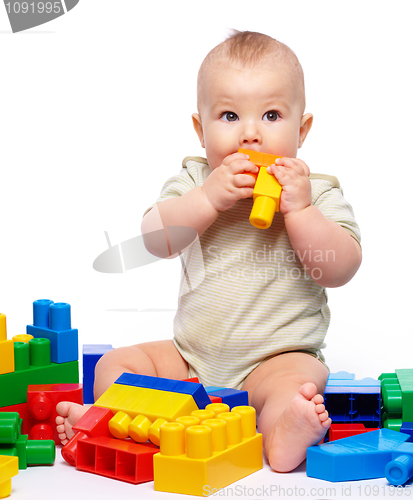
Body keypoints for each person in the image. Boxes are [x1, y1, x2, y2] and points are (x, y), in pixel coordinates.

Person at [56, 30, 362, 472]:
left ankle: (281, 434)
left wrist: (300, 211)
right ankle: (129, 419)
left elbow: (341, 267)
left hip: (275, 358)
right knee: (115, 365)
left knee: (298, 385)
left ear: (303, 128)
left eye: (272, 115)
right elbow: (153, 240)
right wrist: (207, 199)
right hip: (191, 358)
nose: (251, 134)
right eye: (229, 115)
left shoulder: (315, 192)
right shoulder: (196, 180)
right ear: (200, 129)